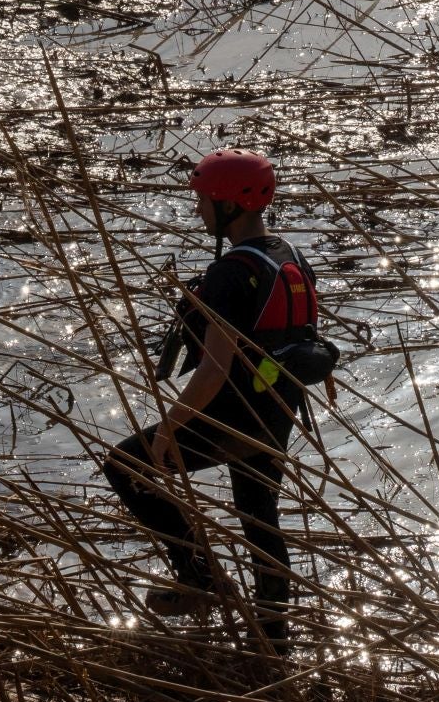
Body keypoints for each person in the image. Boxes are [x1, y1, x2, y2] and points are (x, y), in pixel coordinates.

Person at [101, 148, 324, 652]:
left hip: (233, 414)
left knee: (127, 464)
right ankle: (273, 641)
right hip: (278, 409)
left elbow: (214, 369)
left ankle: (199, 579)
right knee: (259, 516)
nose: (198, 210)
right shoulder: (288, 254)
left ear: (232, 205)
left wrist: (167, 430)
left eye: (204, 201)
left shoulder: (228, 274)